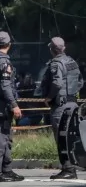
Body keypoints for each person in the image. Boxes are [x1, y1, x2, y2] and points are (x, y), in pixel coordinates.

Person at [41, 37, 83, 180]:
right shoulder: (72, 62)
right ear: (63, 48)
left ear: (52, 50)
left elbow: (57, 83)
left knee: (61, 137)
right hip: (73, 103)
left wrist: (49, 98)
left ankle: (68, 169)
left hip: (61, 106)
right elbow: (80, 81)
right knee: (71, 137)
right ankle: (72, 167)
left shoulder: (56, 64)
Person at [0, 31, 24, 182]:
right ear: (9, 44)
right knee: (1, 138)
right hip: (3, 103)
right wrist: (14, 104)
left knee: (7, 138)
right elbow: (6, 85)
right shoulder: (3, 62)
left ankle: (6, 169)